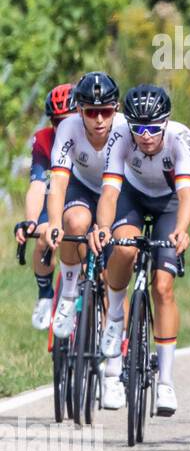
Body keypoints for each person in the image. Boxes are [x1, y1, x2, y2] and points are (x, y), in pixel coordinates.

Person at [91, 85, 190, 417]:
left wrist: (181, 230)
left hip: (168, 203)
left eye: (153, 128)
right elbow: (109, 193)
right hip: (132, 198)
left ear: (166, 123)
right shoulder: (120, 135)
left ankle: (166, 381)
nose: (146, 135)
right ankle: (116, 315)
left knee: (163, 286)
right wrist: (104, 227)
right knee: (123, 249)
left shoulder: (180, 138)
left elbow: (187, 194)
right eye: (139, 128)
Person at [45, 73, 130, 402]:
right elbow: (59, 183)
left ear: (115, 110)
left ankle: (112, 372)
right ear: (78, 110)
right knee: (74, 222)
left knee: (112, 274)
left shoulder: (123, 129)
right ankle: (67, 293)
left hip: (119, 190)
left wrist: (105, 228)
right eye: (90, 111)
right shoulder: (67, 128)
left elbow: (111, 191)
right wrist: (54, 222)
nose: (97, 119)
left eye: (105, 111)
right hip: (82, 187)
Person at [20, 83, 74, 330]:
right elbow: (38, 185)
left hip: (83, 200)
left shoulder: (94, 136)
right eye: (56, 121)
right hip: (54, 198)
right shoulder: (44, 140)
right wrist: (31, 220)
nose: (61, 127)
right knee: (43, 235)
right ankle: (44, 294)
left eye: (68, 121)